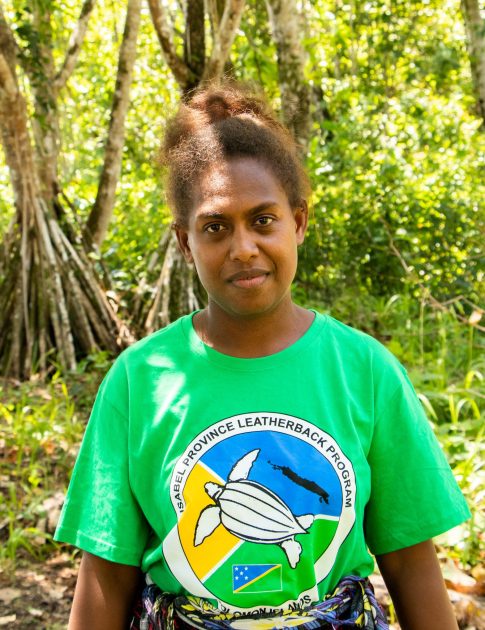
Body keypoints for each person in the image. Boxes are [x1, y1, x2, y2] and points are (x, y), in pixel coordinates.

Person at [55, 83, 470, 630]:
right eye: (215, 227)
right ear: (186, 244)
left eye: (264, 220)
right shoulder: (138, 381)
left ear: (298, 222)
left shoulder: (365, 371)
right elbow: (106, 578)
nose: (243, 247)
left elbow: (411, 562)